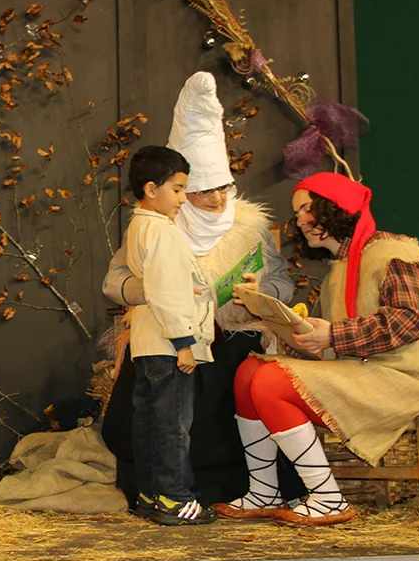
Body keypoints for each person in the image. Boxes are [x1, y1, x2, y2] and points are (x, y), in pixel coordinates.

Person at [215, 172, 419, 526]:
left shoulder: (391, 253)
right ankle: (265, 492)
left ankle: (328, 499)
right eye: (297, 213)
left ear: (335, 208)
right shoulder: (340, 268)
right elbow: (330, 341)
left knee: (270, 382)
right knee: (249, 373)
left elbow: (410, 319)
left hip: (414, 376)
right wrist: (274, 316)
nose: (300, 221)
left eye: (307, 209)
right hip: (370, 369)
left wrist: (332, 334)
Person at [102, 71, 297, 508]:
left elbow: (284, 283)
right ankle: (168, 491)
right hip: (173, 341)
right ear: (178, 192)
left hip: (233, 339)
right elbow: (114, 282)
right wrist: (149, 289)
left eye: (223, 189)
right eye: (202, 191)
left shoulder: (251, 228)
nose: (216, 200)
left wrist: (260, 290)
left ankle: (237, 488)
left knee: (230, 385)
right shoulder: (158, 226)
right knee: (158, 411)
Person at [120, 144, 217, 526]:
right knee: (174, 425)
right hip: (170, 344)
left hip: (148, 341)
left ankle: (149, 494)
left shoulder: (139, 226)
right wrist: (184, 343)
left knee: (148, 421)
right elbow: (166, 291)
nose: (181, 198)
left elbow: (157, 284)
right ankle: (176, 499)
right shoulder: (163, 231)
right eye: (177, 189)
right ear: (151, 189)